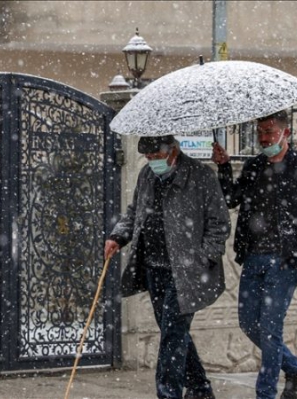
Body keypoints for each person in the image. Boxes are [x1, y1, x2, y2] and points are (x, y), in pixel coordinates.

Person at [211, 110, 297, 399]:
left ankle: (265, 395)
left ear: (285, 133)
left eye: (270, 132)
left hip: (286, 260)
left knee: (270, 329)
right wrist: (224, 167)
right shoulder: (254, 166)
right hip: (253, 258)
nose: (264, 138)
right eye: (260, 132)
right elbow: (231, 199)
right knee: (249, 323)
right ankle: (296, 368)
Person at [105, 135, 230, 399]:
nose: (152, 163)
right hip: (154, 267)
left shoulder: (200, 176)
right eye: (148, 159)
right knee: (173, 331)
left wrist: (203, 258)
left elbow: (219, 223)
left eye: (157, 158)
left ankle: (168, 394)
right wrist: (117, 236)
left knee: (172, 335)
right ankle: (200, 388)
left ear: (173, 151)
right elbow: (133, 212)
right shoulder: (146, 176)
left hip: (187, 271)